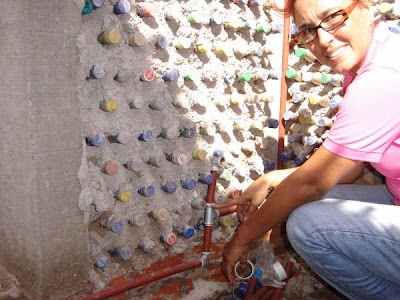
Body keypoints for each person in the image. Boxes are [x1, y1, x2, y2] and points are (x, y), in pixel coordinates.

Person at [211, 0, 400, 299]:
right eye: (309, 30)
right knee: (290, 199)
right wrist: (272, 181)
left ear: (366, 6)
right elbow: (347, 168)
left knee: (307, 226)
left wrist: (241, 240)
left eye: (334, 18)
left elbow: (311, 185)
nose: (323, 40)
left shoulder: (383, 76)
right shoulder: (371, 59)